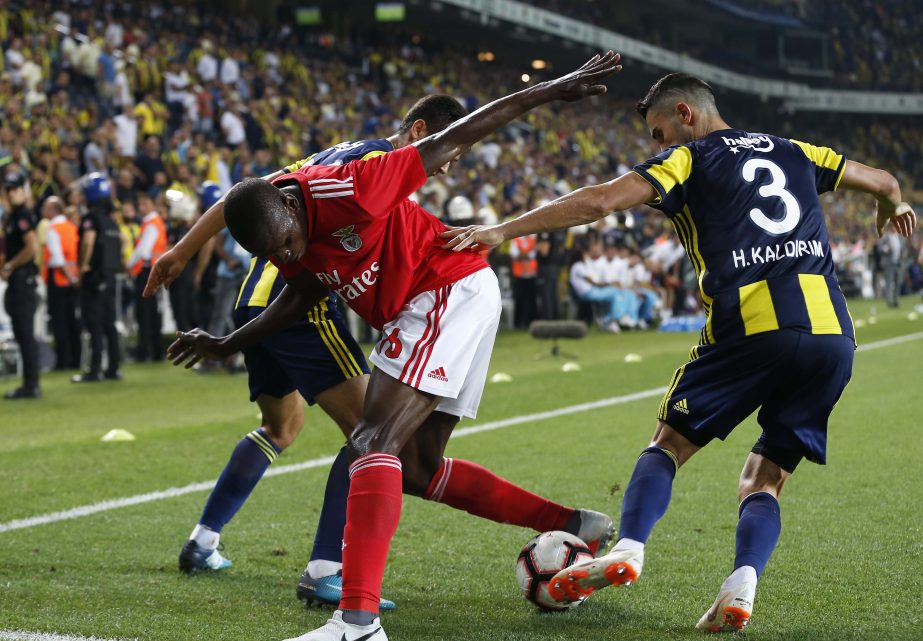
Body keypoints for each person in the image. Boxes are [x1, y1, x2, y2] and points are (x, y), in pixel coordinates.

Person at [165, 52, 622, 641]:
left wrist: (550, 90)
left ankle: (356, 619)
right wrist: (227, 345)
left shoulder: (358, 182)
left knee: (369, 439)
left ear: (291, 206)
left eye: (288, 240)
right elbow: (297, 296)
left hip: (444, 287)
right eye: (274, 254)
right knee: (415, 464)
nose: (288, 254)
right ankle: (574, 524)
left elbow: (466, 130)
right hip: (450, 296)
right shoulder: (290, 235)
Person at [441, 72, 917, 633]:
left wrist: (502, 229)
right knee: (765, 477)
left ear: (687, 114)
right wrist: (895, 203)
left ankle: (630, 548)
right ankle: (742, 583)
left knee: (667, 444)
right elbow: (883, 179)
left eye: (659, 132)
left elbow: (598, 201)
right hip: (833, 336)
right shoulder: (795, 151)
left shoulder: (689, 159)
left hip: (752, 324)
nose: (657, 146)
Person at [73, 172, 124, 383]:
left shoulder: (91, 219)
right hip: (110, 275)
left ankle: (93, 370)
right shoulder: (112, 222)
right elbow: (121, 244)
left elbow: (88, 241)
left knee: (93, 325)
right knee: (109, 323)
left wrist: (83, 265)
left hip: (95, 277)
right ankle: (113, 368)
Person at [1, 169, 41, 399]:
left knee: (25, 333)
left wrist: (10, 266)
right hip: (20, 279)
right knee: (22, 331)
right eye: (8, 189)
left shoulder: (21, 215)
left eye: (15, 188)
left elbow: (31, 247)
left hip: (22, 279)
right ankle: (30, 383)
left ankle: (31, 385)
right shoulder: (14, 215)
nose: (11, 193)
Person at [41, 196, 82, 370]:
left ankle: (63, 361)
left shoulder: (53, 229)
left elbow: (57, 259)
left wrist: (68, 276)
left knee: (60, 322)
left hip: (58, 279)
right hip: (72, 280)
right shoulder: (71, 228)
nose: (43, 210)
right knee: (72, 321)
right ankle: (76, 359)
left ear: (54, 210)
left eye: (46, 207)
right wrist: (74, 277)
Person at [127, 193, 168, 362]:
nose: (141, 207)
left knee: (144, 314)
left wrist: (129, 264)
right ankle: (156, 350)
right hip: (154, 271)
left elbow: (143, 251)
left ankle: (144, 351)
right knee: (152, 313)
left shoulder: (151, 224)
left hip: (146, 272)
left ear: (151, 205)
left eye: (144, 203)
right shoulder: (155, 223)